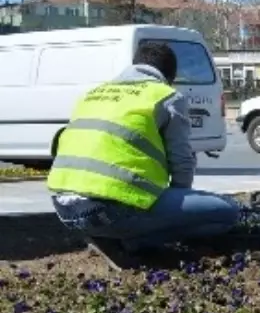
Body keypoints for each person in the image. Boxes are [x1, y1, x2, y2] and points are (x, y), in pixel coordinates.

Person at [46, 42, 242, 268]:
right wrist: (179, 205)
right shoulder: (166, 96)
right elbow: (182, 161)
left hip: (65, 209)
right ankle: (132, 241)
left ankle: (107, 236)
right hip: (112, 209)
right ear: (170, 75)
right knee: (227, 211)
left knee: (151, 209)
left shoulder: (93, 94)